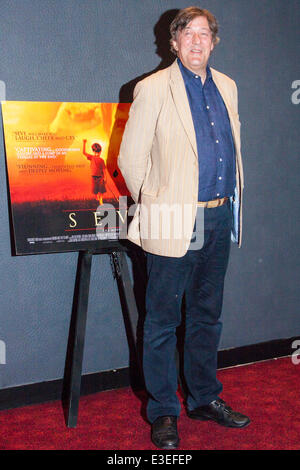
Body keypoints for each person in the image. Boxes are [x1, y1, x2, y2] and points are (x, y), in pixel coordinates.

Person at [118, 6, 249, 449]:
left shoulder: (227, 86)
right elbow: (130, 160)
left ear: (214, 42)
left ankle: (204, 398)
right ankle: (163, 412)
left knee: (207, 315)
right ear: (172, 43)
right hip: (175, 217)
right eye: (188, 34)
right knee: (161, 320)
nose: (197, 41)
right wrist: (158, 208)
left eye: (205, 34)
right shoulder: (152, 89)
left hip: (218, 214)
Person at [82, 139, 106, 204]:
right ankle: (97, 199)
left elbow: (104, 169)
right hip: (93, 177)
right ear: (93, 151)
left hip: (100, 177)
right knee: (95, 190)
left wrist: (105, 177)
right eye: (95, 152)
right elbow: (84, 153)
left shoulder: (101, 160)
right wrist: (84, 143)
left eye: (98, 152)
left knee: (101, 190)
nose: (97, 153)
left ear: (100, 152)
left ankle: (101, 201)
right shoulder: (91, 157)